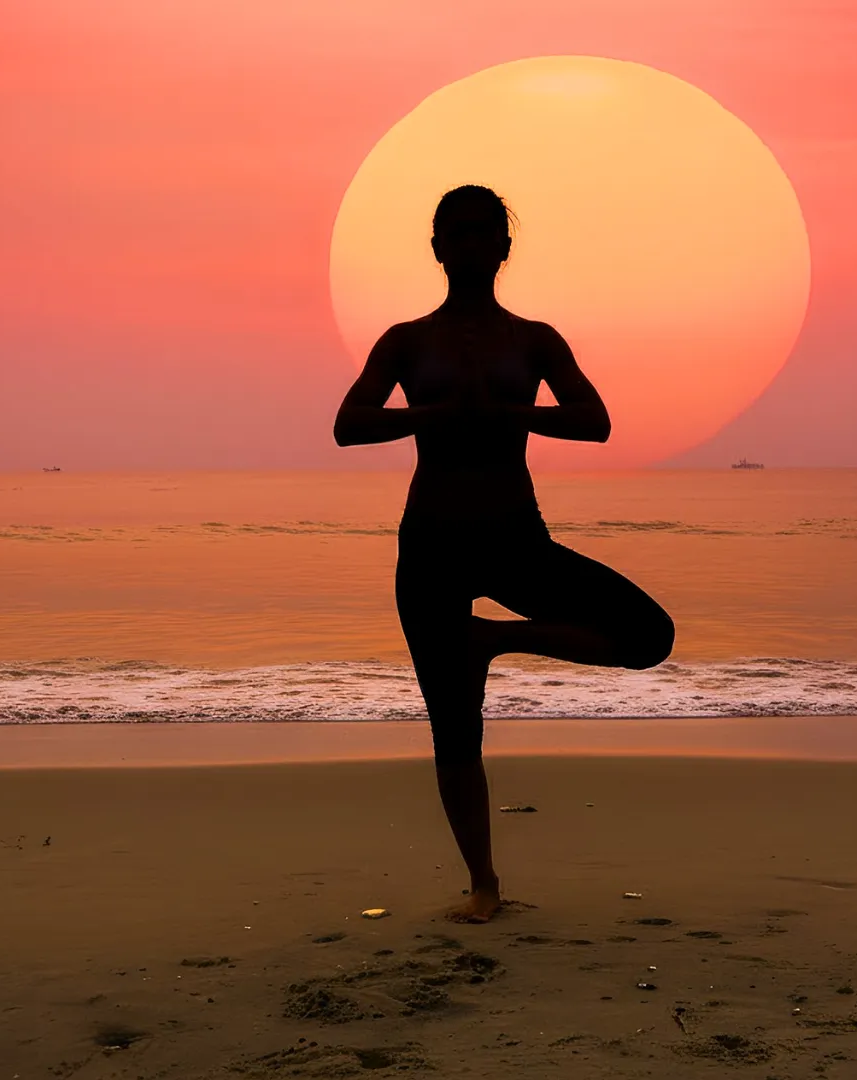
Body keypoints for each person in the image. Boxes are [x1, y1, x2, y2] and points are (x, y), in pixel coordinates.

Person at [333, 184, 676, 923]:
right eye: (454, 232)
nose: (468, 243)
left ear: (503, 247)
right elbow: (349, 423)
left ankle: (493, 639)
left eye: (482, 231)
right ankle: (483, 884)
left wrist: (508, 413)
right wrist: (433, 414)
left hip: (516, 540)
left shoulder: (534, 340)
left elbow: (595, 421)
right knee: (454, 726)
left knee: (648, 635)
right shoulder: (406, 341)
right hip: (430, 548)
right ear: (436, 247)